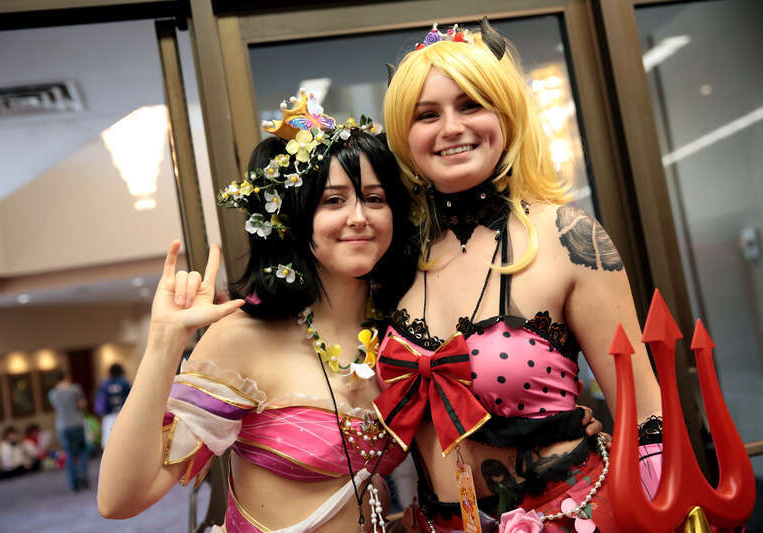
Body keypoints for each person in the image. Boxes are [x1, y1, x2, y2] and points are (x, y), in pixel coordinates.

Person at [374, 20, 663, 532]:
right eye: (427, 114)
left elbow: (646, 416)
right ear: (405, 136)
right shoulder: (392, 262)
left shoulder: (567, 236)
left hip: (571, 517)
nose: (450, 128)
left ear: (505, 116)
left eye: (470, 105)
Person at [98, 93, 419, 532]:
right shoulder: (243, 337)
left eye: (375, 198)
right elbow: (120, 499)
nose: (359, 217)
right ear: (294, 218)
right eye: (333, 201)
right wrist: (163, 344)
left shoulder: (399, 331)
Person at [48, 369, 91, 492]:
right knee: (82, 451)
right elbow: (82, 404)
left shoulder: (52, 393)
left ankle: (73, 483)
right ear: (66, 377)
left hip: (62, 426)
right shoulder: (75, 389)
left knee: (70, 454)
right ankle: (83, 476)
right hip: (76, 423)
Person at [94, 363, 131, 449]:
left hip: (109, 417)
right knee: (125, 443)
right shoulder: (125, 383)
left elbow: (99, 403)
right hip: (123, 415)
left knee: (109, 445)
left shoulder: (104, 384)